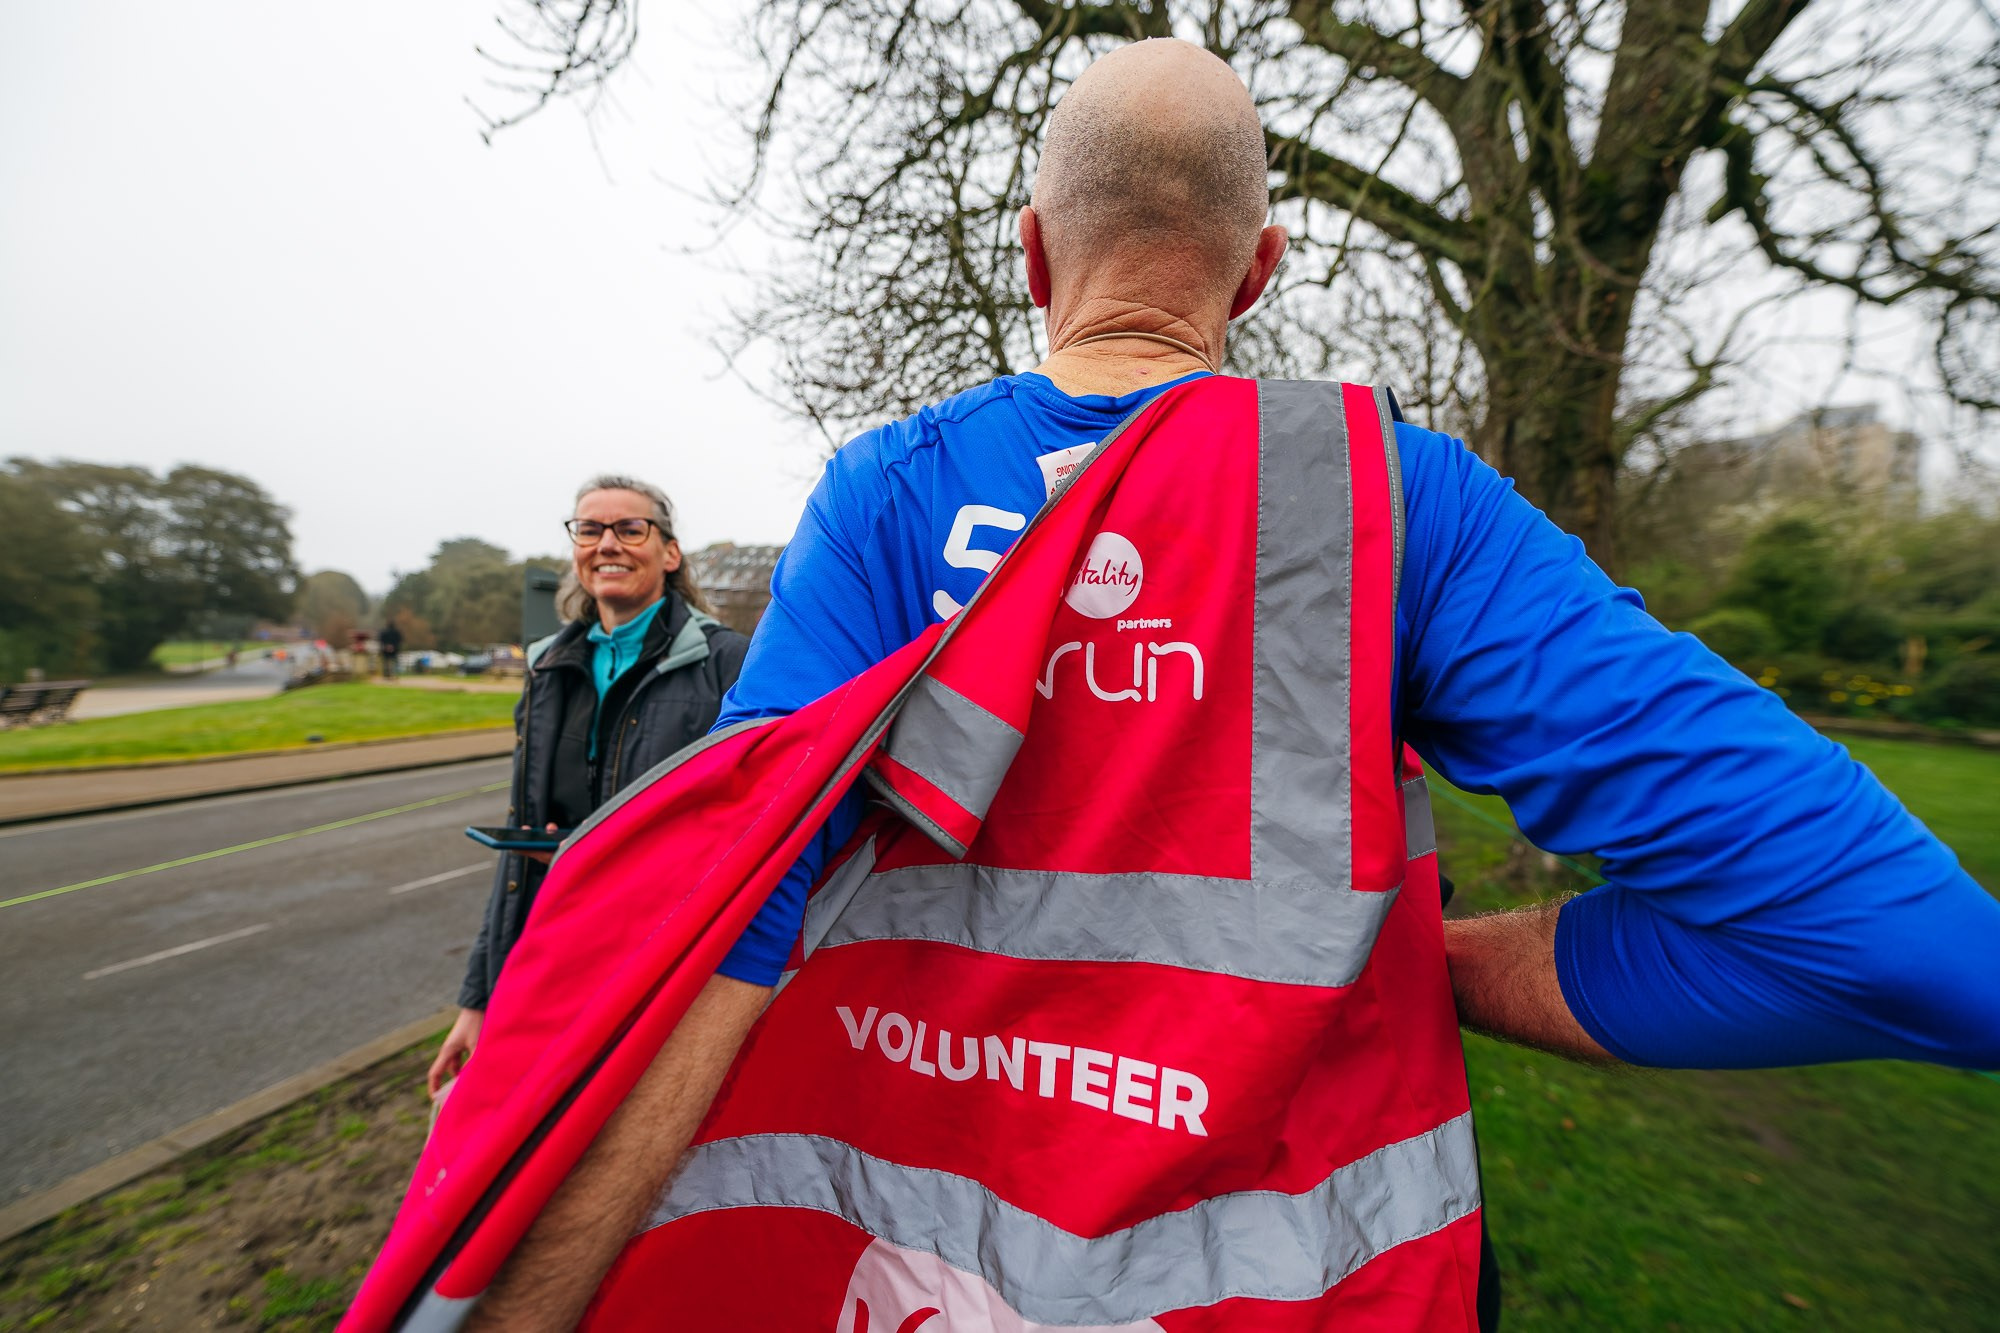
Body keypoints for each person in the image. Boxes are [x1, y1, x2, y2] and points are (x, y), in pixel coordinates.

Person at [462, 41, 2000, 1330]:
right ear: (1258, 272)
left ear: (1033, 253)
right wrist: (1413, 966)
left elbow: (716, 917)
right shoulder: (1397, 509)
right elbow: (1913, 953)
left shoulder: (883, 498)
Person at [426, 476, 748, 1099]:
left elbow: (745, 830)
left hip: (666, 968)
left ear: (670, 553)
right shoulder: (547, 667)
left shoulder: (727, 663)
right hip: (557, 956)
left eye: (630, 529)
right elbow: (518, 848)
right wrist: (479, 999)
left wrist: (602, 860)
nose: (607, 544)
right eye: (590, 529)